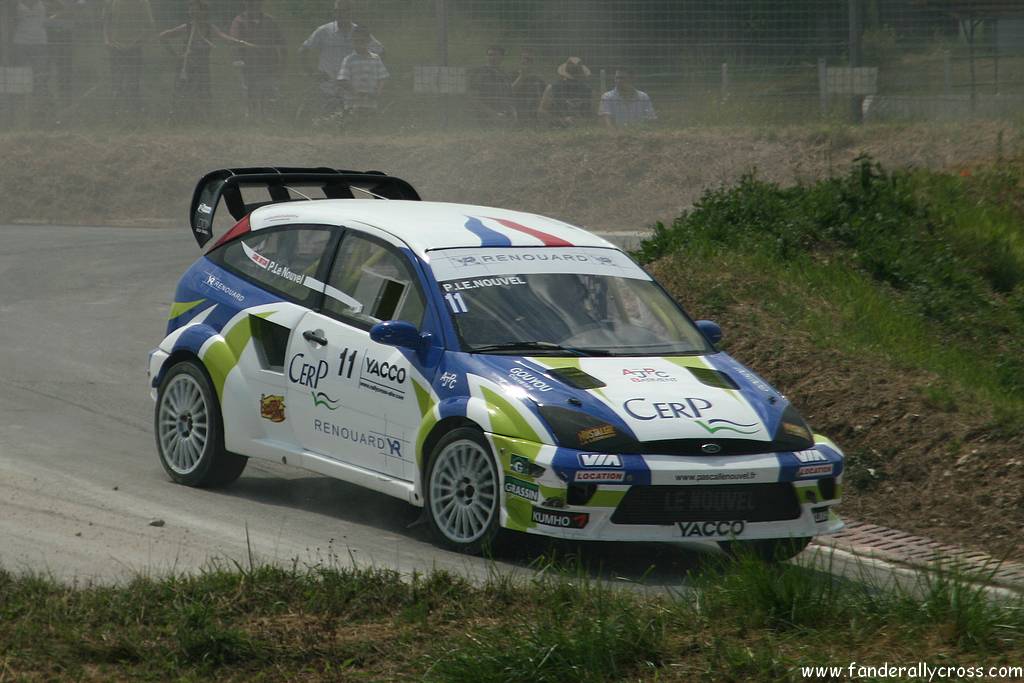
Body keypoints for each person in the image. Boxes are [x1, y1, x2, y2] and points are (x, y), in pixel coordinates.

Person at [159, 0, 249, 122]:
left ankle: (201, 119)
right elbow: (163, 36)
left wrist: (240, 42)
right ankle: (178, 119)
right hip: (186, 67)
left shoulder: (208, 27)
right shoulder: (187, 27)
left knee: (203, 93)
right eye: (191, 10)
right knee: (182, 92)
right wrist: (176, 56)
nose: (193, 12)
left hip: (202, 67)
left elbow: (223, 37)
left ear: (204, 12)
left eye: (197, 10)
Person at [299, 0, 382, 117]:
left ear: (351, 12)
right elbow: (303, 51)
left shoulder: (359, 32)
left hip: (353, 91)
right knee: (327, 121)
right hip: (328, 88)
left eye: (345, 11)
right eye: (338, 11)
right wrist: (312, 73)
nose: (342, 14)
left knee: (353, 122)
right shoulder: (324, 31)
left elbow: (380, 51)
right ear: (335, 12)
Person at [229, 0, 285, 119]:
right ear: (245, 3)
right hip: (248, 64)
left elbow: (280, 41)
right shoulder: (239, 21)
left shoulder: (270, 21)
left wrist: (281, 61)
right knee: (250, 90)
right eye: (250, 2)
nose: (253, 4)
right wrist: (237, 59)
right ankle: (251, 117)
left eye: (256, 2)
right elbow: (234, 42)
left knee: (268, 90)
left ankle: (268, 116)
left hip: (268, 63)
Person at [103, 0, 153, 116]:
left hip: (134, 48)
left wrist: (139, 41)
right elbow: (106, 21)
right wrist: (107, 40)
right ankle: (114, 113)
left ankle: (134, 113)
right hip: (115, 47)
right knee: (116, 83)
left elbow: (149, 25)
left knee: (133, 83)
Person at [337, 24, 386, 115]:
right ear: (352, 41)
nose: (359, 44)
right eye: (356, 41)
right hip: (353, 104)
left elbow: (382, 77)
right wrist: (356, 93)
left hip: (371, 104)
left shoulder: (375, 58)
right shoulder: (348, 60)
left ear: (368, 41)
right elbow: (342, 80)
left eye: (362, 41)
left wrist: (378, 93)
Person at [12, 0, 50, 110]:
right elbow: (11, 20)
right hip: (21, 41)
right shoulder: (14, 3)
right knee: (21, 73)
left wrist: (49, 19)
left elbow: (63, 7)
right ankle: (21, 104)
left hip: (39, 41)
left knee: (40, 73)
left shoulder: (44, 2)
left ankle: (39, 104)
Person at [538, 56, 592, 127]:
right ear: (564, 77)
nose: (574, 82)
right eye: (570, 80)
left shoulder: (587, 90)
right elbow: (541, 112)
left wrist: (582, 121)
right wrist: (561, 120)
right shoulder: (552, 89)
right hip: (556, 128)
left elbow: (589, 115)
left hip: (581, 129)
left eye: (576, 80)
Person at [467, 45, 513, 123]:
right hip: (482, 118)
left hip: (502, 117)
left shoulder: (504, 75)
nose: (492, 57)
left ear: (502, 57)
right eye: (490, 55)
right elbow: (474, 98)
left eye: (495, 55)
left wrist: (512, 111)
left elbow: (507, 96)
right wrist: (493, 114)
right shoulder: (480, 73)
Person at [509, 48, 545, 123]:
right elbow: (508, 93)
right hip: (516, 111)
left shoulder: (538, 79)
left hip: (533, 113)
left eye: (529, 60)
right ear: (520, 60)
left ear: (533, 62)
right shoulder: (513, 74)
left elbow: (543, 99)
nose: (526, 61)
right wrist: (521, 76)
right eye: (524, 58)